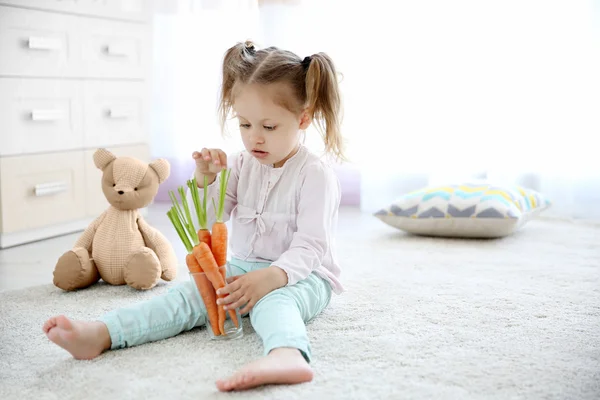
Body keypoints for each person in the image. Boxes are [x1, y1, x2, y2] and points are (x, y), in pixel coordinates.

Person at [43, 40, 345, 392]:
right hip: (244, 268)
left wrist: (271, 278)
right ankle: (105, 332)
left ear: (303, 118)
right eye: (244, 125)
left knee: (274, 303)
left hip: (303, 277)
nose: (253, 138)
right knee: (187, 297)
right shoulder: (241, 163)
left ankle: (287, 354)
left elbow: (310, 248)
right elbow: (210, 218)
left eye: (269, 127)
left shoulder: (315, 175)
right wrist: (206, 180)